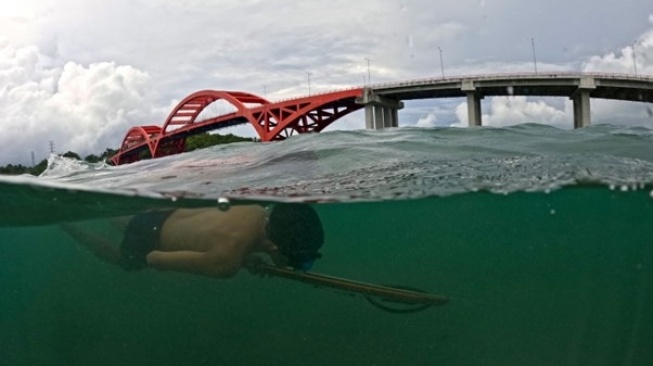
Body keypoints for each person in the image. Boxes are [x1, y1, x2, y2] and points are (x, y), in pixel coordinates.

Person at [60, 203, 324, 278]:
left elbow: (231, 238)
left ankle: (96, 208)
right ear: (276, 248)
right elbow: (155, 258)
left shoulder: (255, 209)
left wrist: (245, 258)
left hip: (162, 213)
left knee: (128, 222)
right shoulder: (226, 262)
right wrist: (237, 260)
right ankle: (69, 227)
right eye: (301, 262)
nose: (298, 267)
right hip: (152, 240)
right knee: (122, 260)